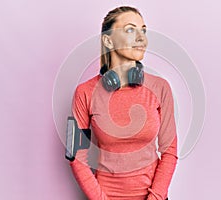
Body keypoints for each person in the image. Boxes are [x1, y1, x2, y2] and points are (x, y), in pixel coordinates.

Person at [70, 6, 178, 200]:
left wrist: (155, 198)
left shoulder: (161, 88)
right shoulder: (84, 93)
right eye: (130, 29)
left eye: (143, 30)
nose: (141, 38)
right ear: (108, 40)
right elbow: (75, 157)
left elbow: (170, 151)